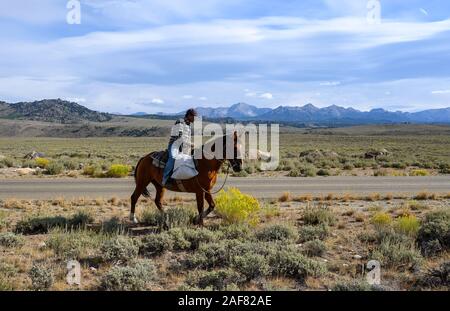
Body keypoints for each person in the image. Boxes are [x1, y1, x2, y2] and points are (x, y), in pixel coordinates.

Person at [162, 108, 197, 186]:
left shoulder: (188, 125)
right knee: (173, 158)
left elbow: (187, 138)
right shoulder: (180, 122)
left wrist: (191, 146)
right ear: (189, 116)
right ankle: (165, 179)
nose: (195, 119)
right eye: (194, 117)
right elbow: (180, 137)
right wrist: (191, 144)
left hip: (185, 147)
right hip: (175, 145)